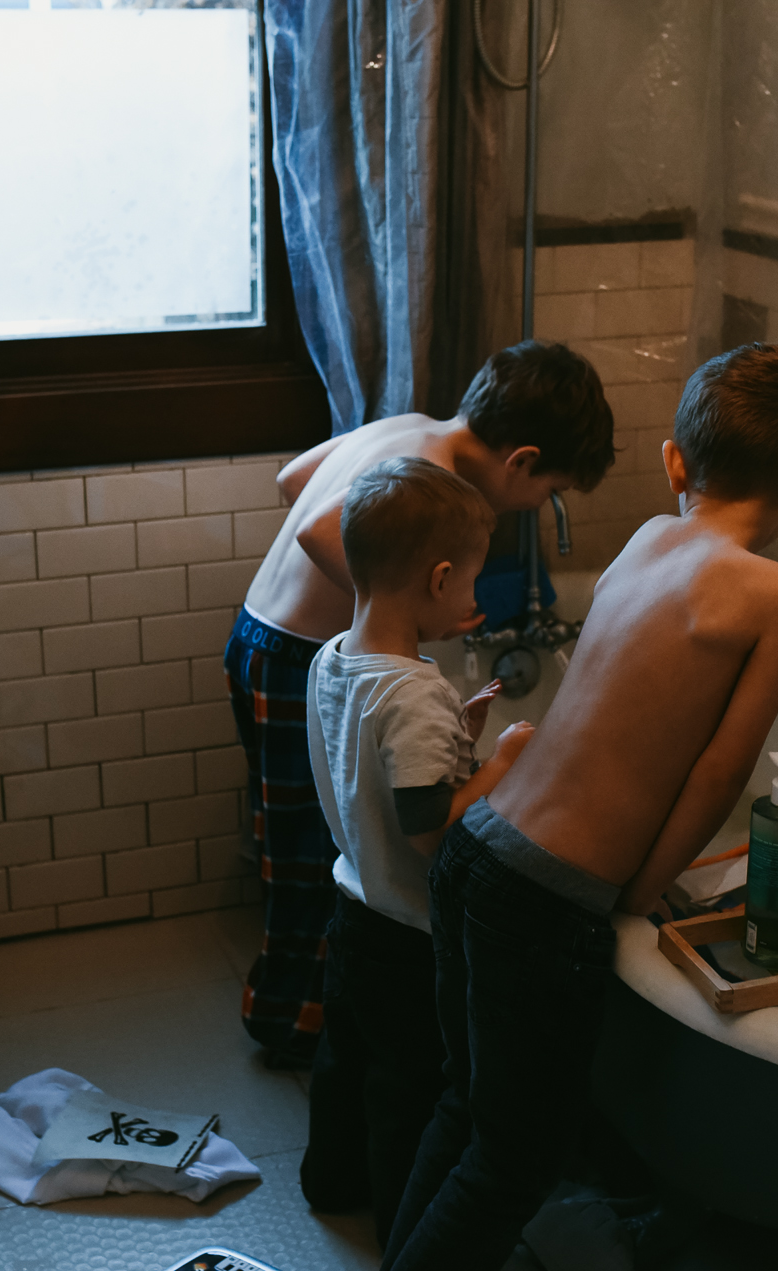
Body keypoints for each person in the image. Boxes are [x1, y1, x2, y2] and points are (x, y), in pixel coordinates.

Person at [382, 343, 778, 1271]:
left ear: (675, 462)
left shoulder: (644, 540)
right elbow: (718, 772)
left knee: (467, 1109)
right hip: (544, 899)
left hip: (479, 846)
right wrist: (641, 889)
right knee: (514, 1163)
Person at [224, 342, 615, 1066]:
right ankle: (293, 1021)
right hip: (290, 652)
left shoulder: (410, 428)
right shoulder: (431, 475)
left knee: (297, 840)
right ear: (521, 461)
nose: (540, 509)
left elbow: (294, 480)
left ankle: (294, 1006)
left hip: (258, 635)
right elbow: (315, 529)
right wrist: (400, 605)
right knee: (317, 852)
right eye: (548, 492)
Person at [297, 457, 537, 1246]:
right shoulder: (415, 693)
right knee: (407, 1085)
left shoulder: (334, 657)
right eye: (472, 581)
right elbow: (433, 831)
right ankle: (403, 1223)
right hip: (408, 929)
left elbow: (371, 765)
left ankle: (329, 1180)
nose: (475, 597)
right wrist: (499, 763)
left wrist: (452, 740)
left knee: (344, 1058)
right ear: (439, 580)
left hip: (352, 900)